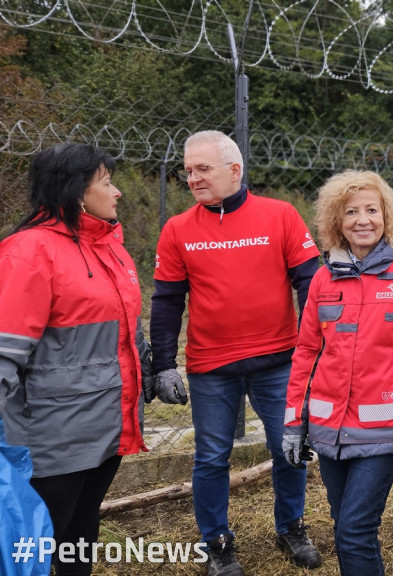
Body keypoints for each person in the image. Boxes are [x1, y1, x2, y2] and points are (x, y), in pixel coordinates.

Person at [150, 130, 323, 575]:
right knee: (211, 457)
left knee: (288, 447)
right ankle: (218, 544)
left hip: (279, 361)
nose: (193, 178)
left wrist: (315, 345)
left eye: (203, 169)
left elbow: (311, 282)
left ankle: (291, 527)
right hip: (212, 367)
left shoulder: (280, 216)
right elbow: (167, 300)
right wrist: (165, 364)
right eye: (187, 171)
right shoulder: (178, 229)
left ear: (234, 169)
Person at [0, 143, 158, 575]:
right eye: (107, 182)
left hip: (107, 426)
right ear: (76, 191)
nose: (118, 192)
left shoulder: (110, 246)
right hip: (53, 437)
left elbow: (127, 330)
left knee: (81, 527)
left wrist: (150, 369)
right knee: (36, 540)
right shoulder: (28, 252)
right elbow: (4, 352)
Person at [282, 170, 393, 575]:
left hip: (383, 428)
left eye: (372, 210)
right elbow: (306, 352)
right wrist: (293, 423)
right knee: (346, 528)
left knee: (354, 530)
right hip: (327, 429)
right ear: (336, 222)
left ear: (386, 217)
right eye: (351, 211)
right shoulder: (323, 277)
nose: (363, 219)